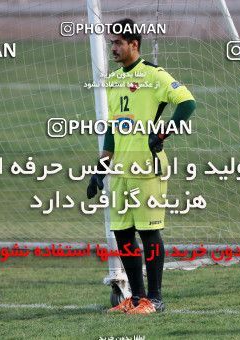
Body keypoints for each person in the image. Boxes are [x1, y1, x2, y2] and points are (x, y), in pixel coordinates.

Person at [86, 18, 196, 314]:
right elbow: (110, 129)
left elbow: (187, 103)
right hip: (120, 170)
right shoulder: (111, 81)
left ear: (134, 44)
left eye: (118, 43)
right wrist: (100, 168)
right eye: (111, 43)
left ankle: (155, 299)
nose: (113, 48)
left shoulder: (154, 75)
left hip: (147, 167)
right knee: (122, 233)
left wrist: (162, 134)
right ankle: (136, 298)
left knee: (149, 232)